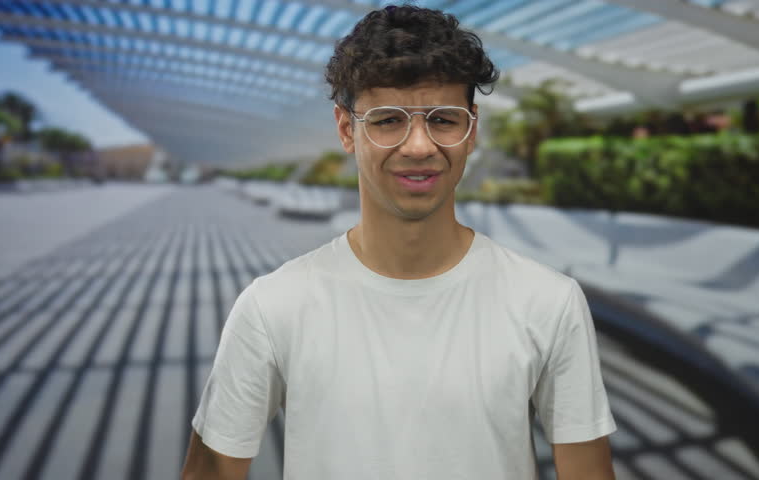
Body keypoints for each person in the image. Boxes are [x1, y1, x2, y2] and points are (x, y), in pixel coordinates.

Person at [181, 5, 616, 479]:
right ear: (348, 130)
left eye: (443, 120)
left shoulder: (548, 302)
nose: (418, 147)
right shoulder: (273, 307)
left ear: (472, 129)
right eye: (388, 120)